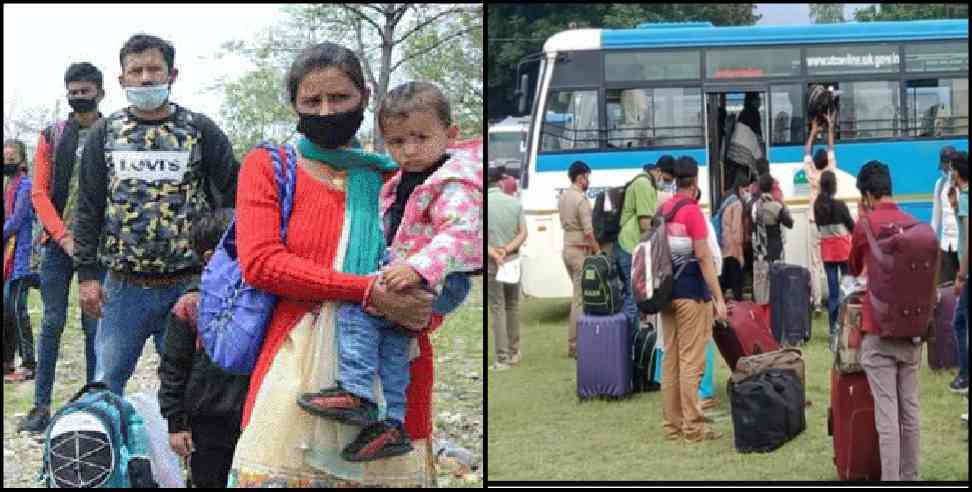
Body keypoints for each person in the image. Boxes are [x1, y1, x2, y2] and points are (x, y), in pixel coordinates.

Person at [228, 42, 440, 487]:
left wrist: (422, 308)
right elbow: (262, 263)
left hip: (393, 364)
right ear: (295, 106)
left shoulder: (399, 177)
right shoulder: (270, 167)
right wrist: (366, 291)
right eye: (313, 101)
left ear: (365, 96)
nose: (327, 111)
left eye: (340, 98)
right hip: (296, 365)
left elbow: (439, 261)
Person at [296, 81, 482, 462]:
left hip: (440, 273)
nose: (409, 150)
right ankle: (392, 423)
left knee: (361, 302)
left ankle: (356, 390)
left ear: (450, 135)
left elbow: (461, 234)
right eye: (397, 142)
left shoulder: (455, 181)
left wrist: (415, 269)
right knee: (396, 340)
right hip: (417, 267)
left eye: (420, 138)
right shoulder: (397, 181)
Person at [73, 34, 240, 397]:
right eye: (136, 71)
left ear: (172, 74)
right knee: (105, 384)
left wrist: (224, 267)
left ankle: (189, 454)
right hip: (122, 287)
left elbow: (233, 199)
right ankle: (108, 451)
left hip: (189, 285)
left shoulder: (200, 130)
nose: (145, 79)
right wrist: (87, 275)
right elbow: (88, 207)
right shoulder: (104, 133)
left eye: (154, 69)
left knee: (191, 389)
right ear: (121, 80)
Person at [18, 62, 108, 433]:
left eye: (86, 91)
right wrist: (63, 237)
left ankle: (94, 404)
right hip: (57, 245)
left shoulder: (114, 132)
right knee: (52, 323)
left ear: (100, 92)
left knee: (94, 326)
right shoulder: (52, 135)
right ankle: (41, 406)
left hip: (101, 246)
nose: (78, 97)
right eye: (73, 91)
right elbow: (39, 192)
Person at [159, 210, 249, 488]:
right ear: (211, 257)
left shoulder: (259, 300)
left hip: (250, 420)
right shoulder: (190, 306)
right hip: (207, 422)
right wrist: (176, 424)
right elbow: (173, 367)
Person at [848, 160, 921, 481]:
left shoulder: (865, 226)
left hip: (878, 332)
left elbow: (852, 268)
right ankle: (911, 477)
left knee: (887, 416)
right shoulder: (913, 224)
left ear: (866, 194)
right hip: (910, 332)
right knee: (911, 411)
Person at [653, 156, 727, 443]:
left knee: (670, 359)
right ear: (695, 181)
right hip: (691, 294)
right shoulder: (693, 212)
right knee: (691, 361)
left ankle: (672, 425)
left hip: (665, 294)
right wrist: (719, 297)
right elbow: (705, 258)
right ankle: (693, 427)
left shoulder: (664, 209)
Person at [487, 166, 527, 371]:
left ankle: (501, 359)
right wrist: (507, 249)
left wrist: (494, 252)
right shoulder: (514, 203)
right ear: (500, 182)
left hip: (493, 261)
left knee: (497, 307)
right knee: (512, 305)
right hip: (511, 258)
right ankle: (513, 352)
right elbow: (523, 233)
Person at [3, 139, 37, 383]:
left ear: (23, 161)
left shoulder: (25, 186)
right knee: (6, 310)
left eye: (11, 159)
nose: (7, 163)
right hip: (7, 256)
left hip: (22, 257)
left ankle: (29, 364)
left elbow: (16, 222)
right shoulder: (8, 185)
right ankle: (7, 361)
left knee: (17, 310)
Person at [559, 160, 599, 359]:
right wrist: (598, 251)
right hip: (579, 252)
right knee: (580, 300)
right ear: (580, 177)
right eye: (587, 176)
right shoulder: (580, 199)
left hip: (567, 249)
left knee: (577, 297)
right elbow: (589, 232)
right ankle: (575, 345)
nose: (588, 180)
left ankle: (576, 344)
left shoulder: (564, 196)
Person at [616, 159, 657, 334]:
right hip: (630, 245)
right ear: (657, 171)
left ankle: (626, 342)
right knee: (632, 300)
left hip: (627, 245)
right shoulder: (643, 184)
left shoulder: (639, 182)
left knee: (629, 297)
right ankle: (627, 344)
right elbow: (645, 223)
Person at [804, 112, 837, 316]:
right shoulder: (830, 173)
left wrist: (813, 131)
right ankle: (834, 296)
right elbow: (831, 148)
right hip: (829, 223)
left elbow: (807, 150)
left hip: (813, 220)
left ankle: (816, 303)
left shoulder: (812, 174)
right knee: (831, 262)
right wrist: (830, 128)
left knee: (814, 264)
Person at [814, 170, 854, 338]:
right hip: (844, 251)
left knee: (833, 292)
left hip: (828, 252)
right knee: (847, 289)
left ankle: (833, 329)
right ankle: (848, 325)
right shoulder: (840, 205)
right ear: (834, 186)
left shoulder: (817, 206)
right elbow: (852, 226)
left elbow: (818, 228)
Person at [752, 173, 794, 319]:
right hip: (775, 249)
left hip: (760, 252)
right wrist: (782, 205)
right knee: (776, 285)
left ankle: (764, 319)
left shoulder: (754, 206)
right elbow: (790, 223)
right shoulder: (776, 206)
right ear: (771, 188)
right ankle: (775, 319)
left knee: (762, 287)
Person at [948, 151, 968, 395]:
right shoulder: (962, 198)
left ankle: (964, 376)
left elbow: (967, 239)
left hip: (968, 272)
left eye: (952, 169)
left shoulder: (965, 198)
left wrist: (961, 276)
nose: (949, 173)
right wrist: (954, 206)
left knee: (960, 322)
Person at [718, 176, 750, 302]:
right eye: (746, 189)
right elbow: (737, 229)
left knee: (724, 280)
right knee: (737, 284)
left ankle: (720, 305)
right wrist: (740, 254)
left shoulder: (727, 199)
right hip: (733, 248)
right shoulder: (737, 204)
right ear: (740, 188)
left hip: (725, 245)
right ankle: (739, 311)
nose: (746, 193)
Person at [932, 145, 960, 284]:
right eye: (943, 167)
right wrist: (931, 241)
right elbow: (936, 218)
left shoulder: (964, 184)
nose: (944, 170)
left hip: (962, 244)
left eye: (946, 167)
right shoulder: (939, 184)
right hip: (945, 245)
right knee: (944, 288)